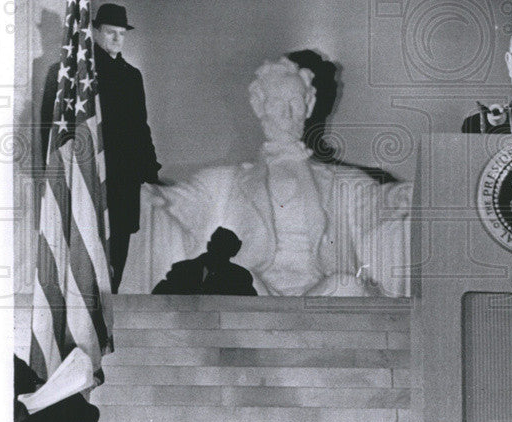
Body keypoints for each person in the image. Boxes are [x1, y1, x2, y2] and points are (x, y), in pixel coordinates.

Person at [153, 57, 412, 296]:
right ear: (259, 106)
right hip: (254, 289)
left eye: (295, 102)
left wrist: (399, 196)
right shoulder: (226, 181)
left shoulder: (340, 181)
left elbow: (376, 202)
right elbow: (179, 202)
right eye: (277, 102)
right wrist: (152, 196)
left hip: (322, 289)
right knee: (233, 280)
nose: (287, 114)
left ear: (308, 105)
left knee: (348, 285)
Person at [41, 3, 162, 292]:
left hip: (122, 175)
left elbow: (140, 125)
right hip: (87, 170)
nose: (117, 39)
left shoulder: (132, 75)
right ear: (95, 32)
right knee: (84, 240)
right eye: (110, 32)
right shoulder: (71, 73)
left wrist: (150, 168)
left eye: (122, 33)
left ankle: (110, 302)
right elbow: (51, 124)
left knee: (118, 243)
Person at [151, 227, 256, 296]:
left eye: (225, 248)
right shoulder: (182, 270)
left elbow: (251, 306)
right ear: (209, 246)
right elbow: (157, 299)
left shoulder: (240, 277)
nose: (220, 253)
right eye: (219, 247)